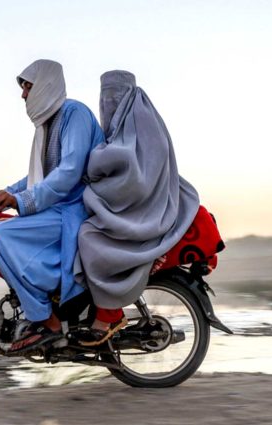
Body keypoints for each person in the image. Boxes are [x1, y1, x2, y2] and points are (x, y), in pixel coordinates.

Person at [75, 70, 200, 346]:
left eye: (113, 96)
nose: (108, 103)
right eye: (104, 97)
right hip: (136, 204)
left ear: (128, 94)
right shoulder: (125, 125)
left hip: (147, 208)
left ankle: (109, 314)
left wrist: (91, 166)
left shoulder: (142, 121)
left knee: (88, 236)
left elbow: (133, 176)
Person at [0, 59, 104, 353]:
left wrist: (21, 200)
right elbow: (42, 172)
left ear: (46, 85)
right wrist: (9, 191)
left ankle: (46, 321)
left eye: (27, 86)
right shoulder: (48, 123)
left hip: (76, 207)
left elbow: (68, 173)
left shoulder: (73, 114)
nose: (23, 95)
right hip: (62, 207)